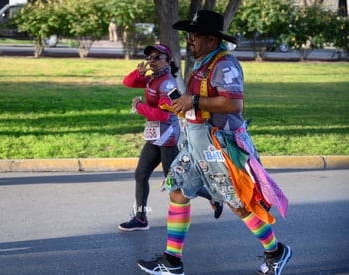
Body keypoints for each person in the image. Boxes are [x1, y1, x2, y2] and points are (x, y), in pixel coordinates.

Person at [137, 10, 292, 275]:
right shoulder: (202, 63)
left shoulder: (225, 64)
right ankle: (172, 262)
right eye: (189, 35)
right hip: (195, 146)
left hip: (219, 147)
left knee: (238, 204)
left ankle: (276, 251)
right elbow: (202, 102)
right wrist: (182, 106)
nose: (190, 41)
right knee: (177, 191)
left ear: (211, 39)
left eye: (194, 36)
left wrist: (194, 101)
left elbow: (233, 103)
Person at [118, 44, 181, 231]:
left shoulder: (167, 84)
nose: (151, 61)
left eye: (157, 58)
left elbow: (163, 115)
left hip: (168, 136)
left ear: (168, 61)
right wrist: (138, 73)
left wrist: (138, 106)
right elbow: (128, 82)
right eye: (150, 58)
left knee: (174, 181)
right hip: (155, 135)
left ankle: (213, 198)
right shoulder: (152, 79)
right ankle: (140, 218)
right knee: (141, 174)